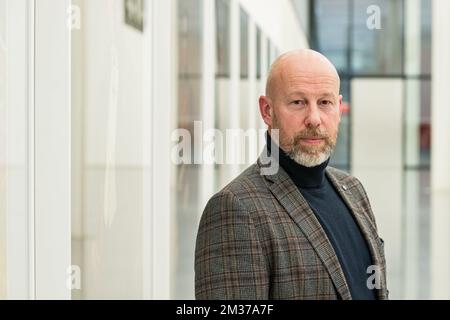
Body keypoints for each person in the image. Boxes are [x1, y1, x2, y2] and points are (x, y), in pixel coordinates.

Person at [194, 49, 388, 300]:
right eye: (298, 102)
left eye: (325, 103)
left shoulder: (354, 190)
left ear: (339, 109)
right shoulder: (236, 208)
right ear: (267, 110)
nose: (314, 119)